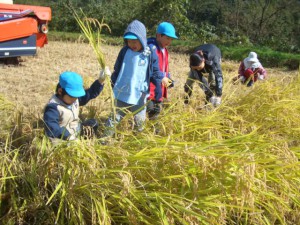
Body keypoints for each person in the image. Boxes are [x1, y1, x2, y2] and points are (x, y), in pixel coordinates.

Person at [103, 20, 163, 138]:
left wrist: (158, 87)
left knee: (139, 120)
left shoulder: (149, 53)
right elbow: (118, 68)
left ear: (142, 39)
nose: (132, 44)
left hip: (139, 94)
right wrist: (112, 82)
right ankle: (105, 139)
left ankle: (138, 139)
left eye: (135, 41)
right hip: (122, 91)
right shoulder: (125, 51)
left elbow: (155, 72)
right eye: (129, 41)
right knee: (115, 117)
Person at [43, 69, 110, 143]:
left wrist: (100, 81)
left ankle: (88, 142)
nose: (75, 99)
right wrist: (68, 137)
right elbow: (53, 129)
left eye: (77, 96)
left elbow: (89, 93)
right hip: (63, 139)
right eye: (72, 96)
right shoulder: (53, 108)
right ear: (60, 91)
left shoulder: (73, 99)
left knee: (93, 123)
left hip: (76, 130)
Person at [146, 21, 178, 120]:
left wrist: (169, 81)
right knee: (152, 111)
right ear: (159, 36)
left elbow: (165, 70)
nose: (169, 41)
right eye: (167, 38)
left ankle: (153, 130)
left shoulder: (165, 50)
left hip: (159, 89)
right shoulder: (151, 49)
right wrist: (163, 78)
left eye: (171, 39)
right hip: (150, 89)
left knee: (156, 111)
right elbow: (151, 70)